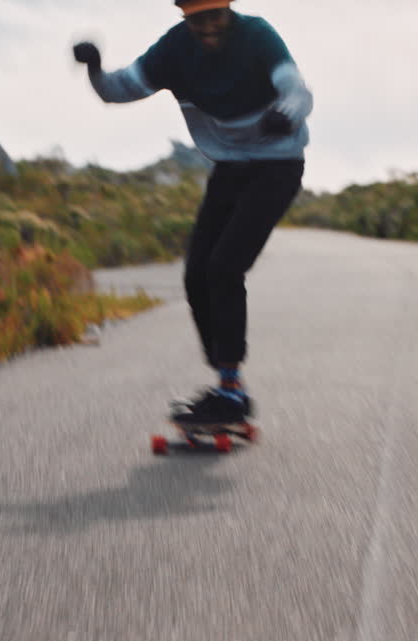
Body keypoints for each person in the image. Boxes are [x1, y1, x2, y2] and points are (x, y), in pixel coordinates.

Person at [73, 0, 313, 426]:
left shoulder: (257, 35)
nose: (207, 27)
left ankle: (230, 392)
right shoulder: (175, 49)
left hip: (278, 165)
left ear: (228, 8)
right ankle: (228, 384)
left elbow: (296, 89)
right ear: (184, 16)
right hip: (230, 168)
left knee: (224, 268)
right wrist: (94, 69)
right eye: (197, 18)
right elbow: (118, 89)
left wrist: (286, 113)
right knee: (196, 275)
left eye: (214, 16)